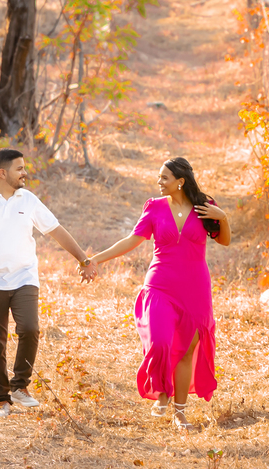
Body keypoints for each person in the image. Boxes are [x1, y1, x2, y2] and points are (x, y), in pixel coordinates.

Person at [0, 148, 97, 419]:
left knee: (29, 328)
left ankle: (19, 386)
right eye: (19, 168)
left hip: (24, 277)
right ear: (2, 173)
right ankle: (1, 399)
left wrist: (83, 259)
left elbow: (56, 230)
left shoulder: (28, 199)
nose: (25, 173)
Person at [86, 157, 231, 429]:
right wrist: (96, 258)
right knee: (160, 342)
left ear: (180, 182)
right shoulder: (154, 208)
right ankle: (162, 394)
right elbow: (131, 240)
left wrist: (223, 218)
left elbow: (224, 240)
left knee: (187, 351)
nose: (159, 182)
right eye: (159, 177)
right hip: (160, 284)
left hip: (195, 287)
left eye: (164, 177)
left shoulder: (205, 208)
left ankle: (179, 411)